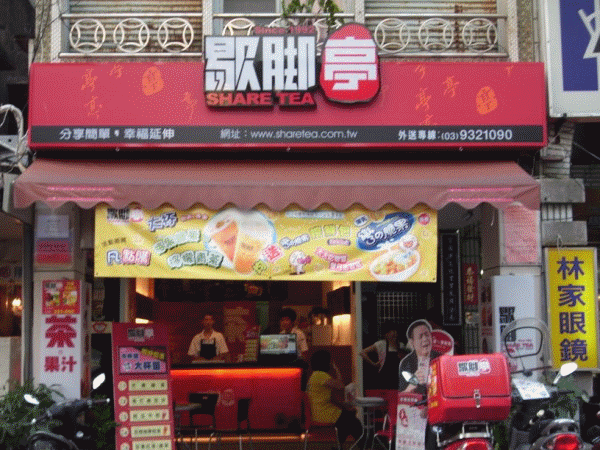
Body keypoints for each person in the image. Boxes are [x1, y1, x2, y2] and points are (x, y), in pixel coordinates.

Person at [306, 350, 364, 447]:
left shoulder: (314, 376)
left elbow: (329, 399)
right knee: (355, 423)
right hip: (326, 414)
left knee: (349, 420)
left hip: (319, 414)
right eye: (330, 360)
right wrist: (336, 369)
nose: (330, 363)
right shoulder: (320, 375)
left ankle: (339, 446)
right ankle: (363, 446)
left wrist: (343, 406)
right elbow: (340, 386)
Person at [398, 319, 440, 395]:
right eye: (420, 337)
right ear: (412, 342)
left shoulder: (440, 358)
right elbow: (402, 395)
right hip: (416, 401)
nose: (425, 339)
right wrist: (413, 382)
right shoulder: (406, 363)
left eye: (427, 335)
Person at [360, 320, 405, 389]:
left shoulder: (401, 345)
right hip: (384, 380)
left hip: (398, 380)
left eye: (394, 331)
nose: (393, 333)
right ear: (385, 335)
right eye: (390, 332)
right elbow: (362, 352)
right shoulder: (381, 344)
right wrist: (374, 364)